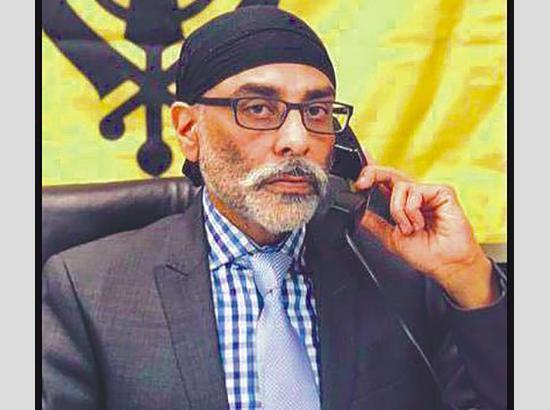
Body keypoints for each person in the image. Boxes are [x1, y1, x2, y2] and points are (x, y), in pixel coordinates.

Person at [42, 6, 507, 410]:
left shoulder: (398, 273)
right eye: (258, 109)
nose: (298, 140)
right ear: (188, 131)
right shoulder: (88, 290)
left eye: (316, 111)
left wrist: (467, 275)